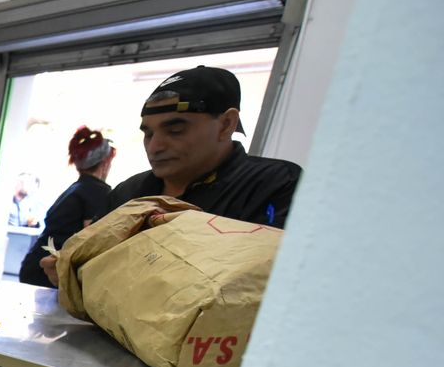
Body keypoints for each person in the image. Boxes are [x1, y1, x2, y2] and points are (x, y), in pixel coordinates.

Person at [41, 66, 302, 284]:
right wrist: (70, 273)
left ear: (226, 124)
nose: (155, 147)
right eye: (148, 133)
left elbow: (255, 287)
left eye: (175, 130)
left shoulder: (274, 185)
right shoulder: (128, 194)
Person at [18, 127, 116, 286]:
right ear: (106, 161)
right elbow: (90, 240)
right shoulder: (98, 191)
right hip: (51, 272)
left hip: (36, 265)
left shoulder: (75, 189)